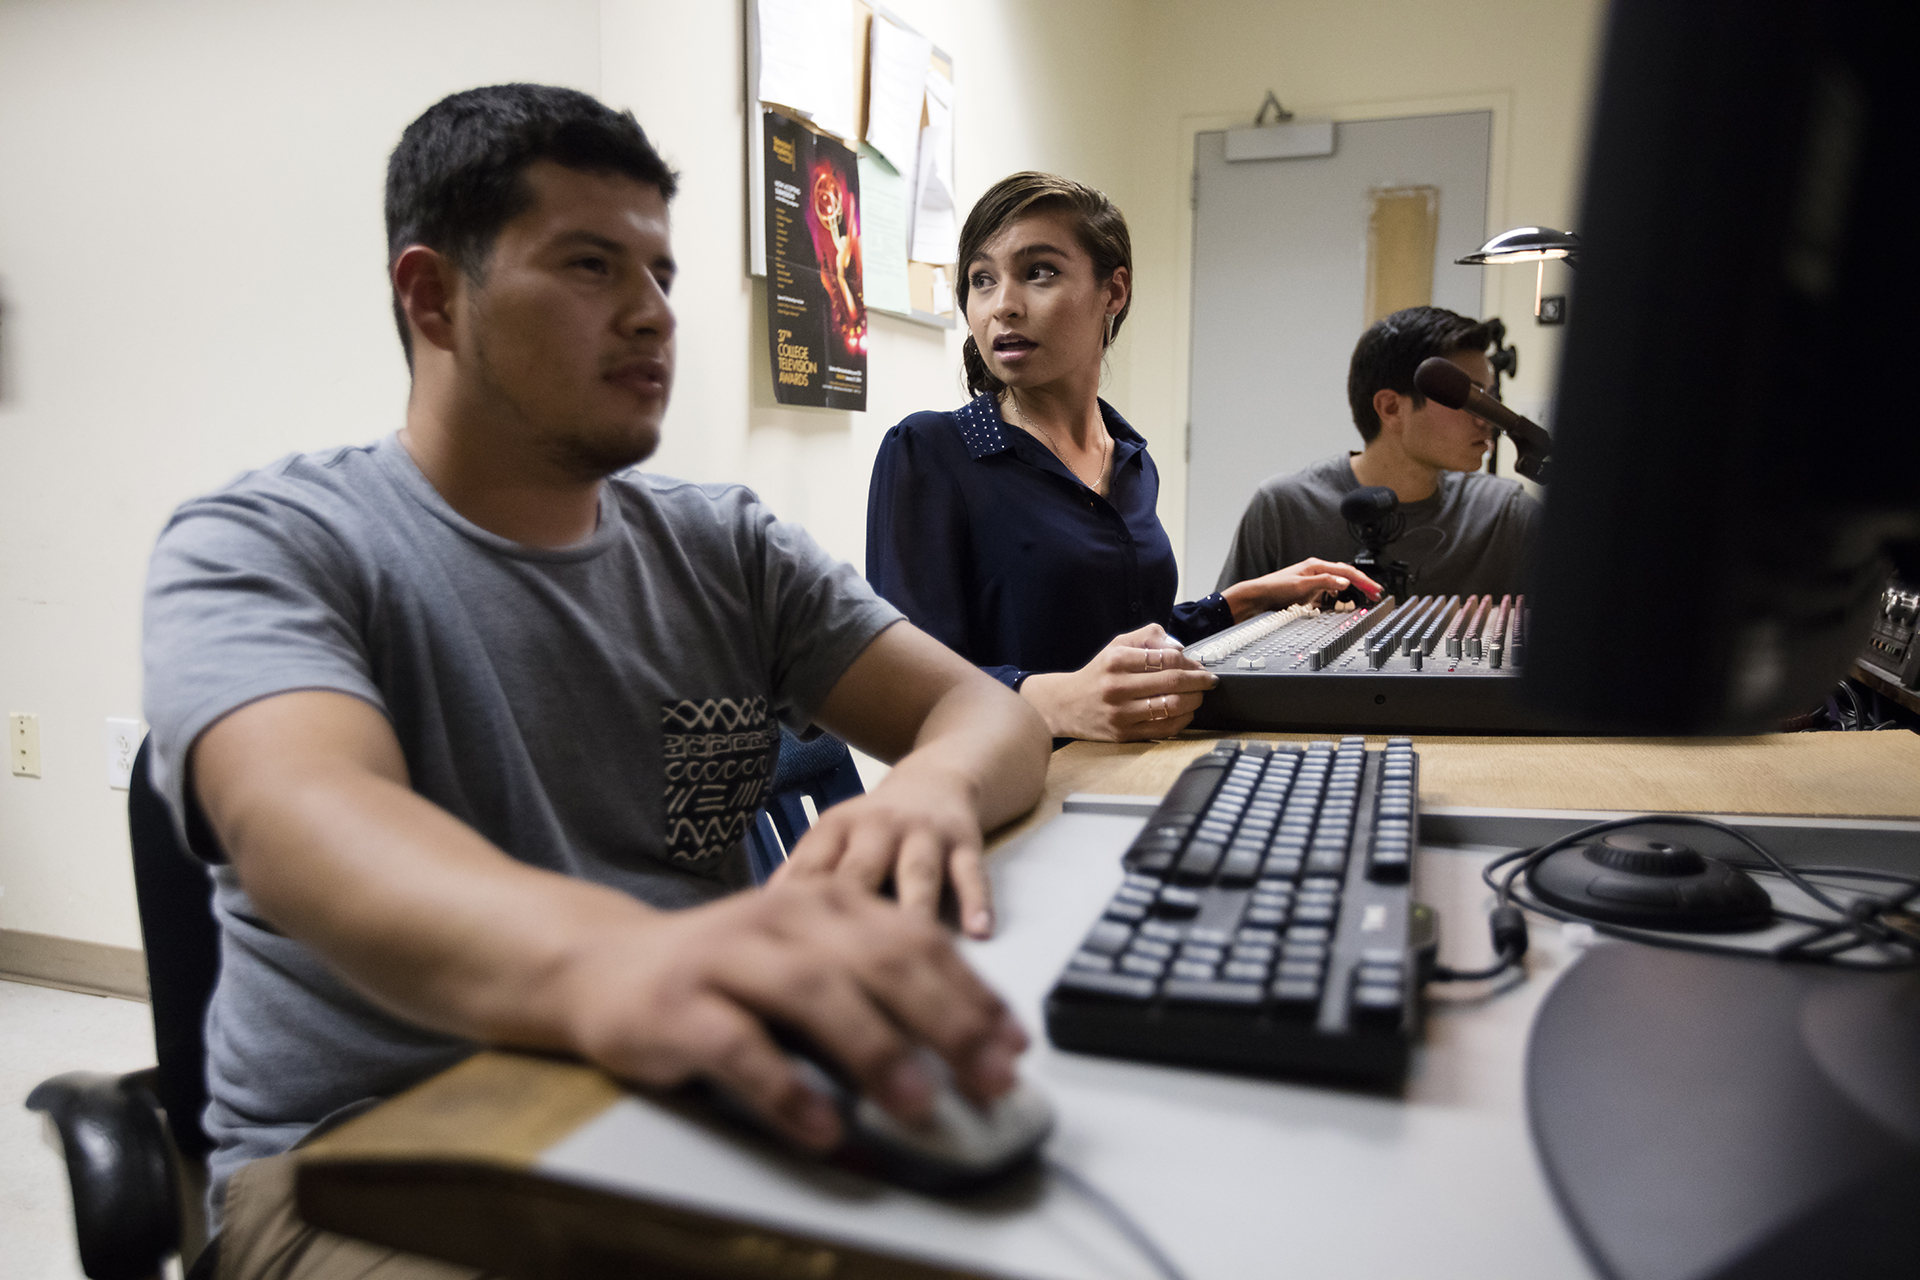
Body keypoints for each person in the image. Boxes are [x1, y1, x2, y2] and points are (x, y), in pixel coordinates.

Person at [142, 85, 1049, 1278]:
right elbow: (305, 819)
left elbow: (985, 712)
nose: (652, 313)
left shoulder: (726, 546)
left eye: (661, 274)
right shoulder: (265, 544)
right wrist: (613, 959)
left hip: (686, 1096)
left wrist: (930, 788)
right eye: (589, 266)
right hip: (370, 1162)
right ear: (432, 297)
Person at [866, 172, 1378, 743]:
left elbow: (1105, 642)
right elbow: (899, 689)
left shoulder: (1130, 461)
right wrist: (1055, 702)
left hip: (1136, 770)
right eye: (982, 280)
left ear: (1113, 292)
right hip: (1010, 783)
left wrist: (1243, 601)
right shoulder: (930, 452)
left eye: (1039, 272)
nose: (1003, 306)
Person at [1215, 306, 1542, 600]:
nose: (1486, 419)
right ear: (1390, 408)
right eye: (1467, 398)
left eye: (1489, 398)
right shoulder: (1284, 509)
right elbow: (1225, 634)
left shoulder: (1505, 515)